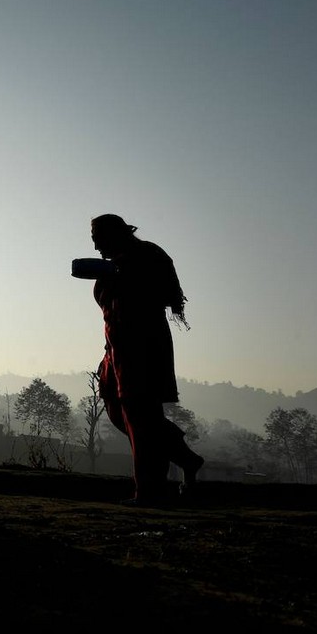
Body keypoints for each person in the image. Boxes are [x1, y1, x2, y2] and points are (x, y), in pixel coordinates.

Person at [84, 213, 203, 506]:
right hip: (116, 350)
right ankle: (184, 457)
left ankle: (150, 491)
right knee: (118, 409)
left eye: (100, 241)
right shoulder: (114, 265)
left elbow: (166, 295)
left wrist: (123, 275)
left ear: (116, 235)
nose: (98, 249)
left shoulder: (147, 255)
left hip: (143, 349)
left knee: (141, 419)